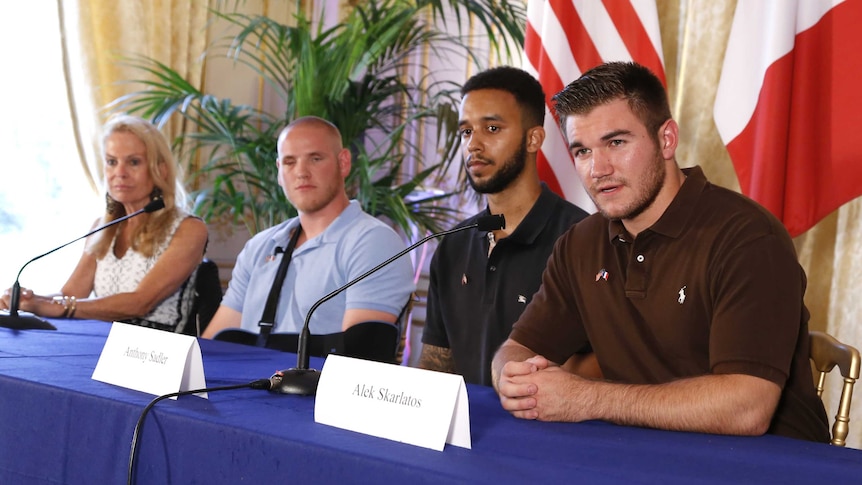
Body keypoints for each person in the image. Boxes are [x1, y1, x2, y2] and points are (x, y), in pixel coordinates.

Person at [491, 62, 830, 442]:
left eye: (616, 142)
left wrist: (587, 398)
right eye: (582, 151)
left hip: (771, 465)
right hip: (642, 451)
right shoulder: (580, 244)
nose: (597, 169)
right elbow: (518, 347)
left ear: (667, 139)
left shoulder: (748, 238)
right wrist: (512, 376)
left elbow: (748, 408)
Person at [418, 66, 592, 386]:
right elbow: (435, 363)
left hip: (546, 429)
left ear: (533, 138)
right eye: (466, 131)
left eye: (493, 128)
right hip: (461, 432)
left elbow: (605, 367)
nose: (473, 145)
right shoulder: (453, 245)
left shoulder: (583, 240)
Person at [201, 116, 414, 340]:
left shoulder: (373, 242)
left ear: (343, 162)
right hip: (246, 374)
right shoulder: (260, 246)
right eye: (289, 162)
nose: (301, 172)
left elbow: (355, 357)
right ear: (279, 172)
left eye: (315, 159)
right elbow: (214, 346)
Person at [0, 114, 209, 331]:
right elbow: (70, 295)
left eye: (133, 162)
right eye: (111, 162)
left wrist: (57, 306)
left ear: (160, 169)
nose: (120, 173)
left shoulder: (188, 228)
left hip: (156, 353)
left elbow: (139, 303)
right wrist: (28, 302)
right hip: (102, 343)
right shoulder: (101, 228)